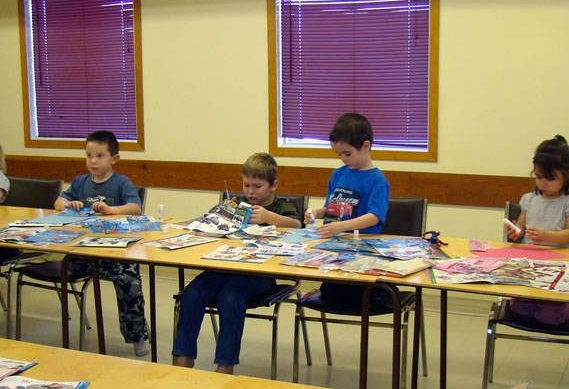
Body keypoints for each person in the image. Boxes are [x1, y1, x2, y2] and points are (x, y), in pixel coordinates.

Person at [172, 152, 302, 374]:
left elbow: (297, 225)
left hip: (259, 274)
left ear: (273, 185)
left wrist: (270, 218)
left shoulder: (282, 207)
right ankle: (183, 356)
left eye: (257, 186)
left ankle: (225, 364)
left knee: (230, 296)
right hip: (224, 266)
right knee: (193, 292)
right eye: (246, 185)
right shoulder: (238, 205)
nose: (250, 192)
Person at [54, 130, 150, 356]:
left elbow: (136, 208)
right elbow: (58, 201)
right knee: (65, 268)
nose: (93, 161)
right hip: (83, 253)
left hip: (114, 254)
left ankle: (137, 336)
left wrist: (112, 210)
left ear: (114, 158)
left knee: (129, 279)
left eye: (99, 156)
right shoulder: (81, 182)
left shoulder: (121, 183)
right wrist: (70, 205)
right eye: (89, 156)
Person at [303, 112, 389, 302]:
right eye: (339, 154)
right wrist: (315, 212)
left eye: (347, 153)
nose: (343, 159)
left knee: (347, 293)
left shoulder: (377, 180)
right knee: (329, 291)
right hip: (334, 247)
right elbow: (330, 207)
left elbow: (374, 216)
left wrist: (342, 226)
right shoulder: (338, 174)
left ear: (366, 146)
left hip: (362, 248)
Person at [505, 134, 569, 325]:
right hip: (531, 263)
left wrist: (548, 235)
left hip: (559, 264)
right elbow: (522, 226)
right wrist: (516, 231)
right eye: (539, 177)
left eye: (550, 178)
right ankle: (539, 301)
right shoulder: (530, 199)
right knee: (518, 307)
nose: (542, 183)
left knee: (550, 316)